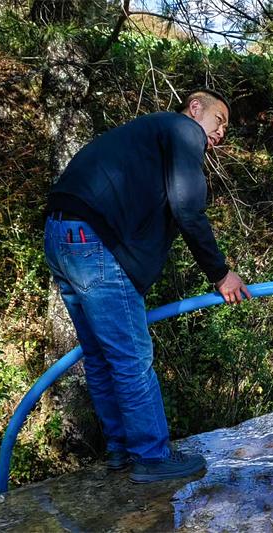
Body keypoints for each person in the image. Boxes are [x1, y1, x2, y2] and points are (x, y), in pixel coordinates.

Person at [43, 89, 251, 483]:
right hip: (92, 242)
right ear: (194, 108)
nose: (222, 132)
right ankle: (152, 458)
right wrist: (221, 274)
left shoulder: (150, 139)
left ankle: (121, 451)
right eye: (219, 120)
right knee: (131, 358)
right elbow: (187, 206)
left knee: (102, 357)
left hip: (60, 237)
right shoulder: (183, 130)